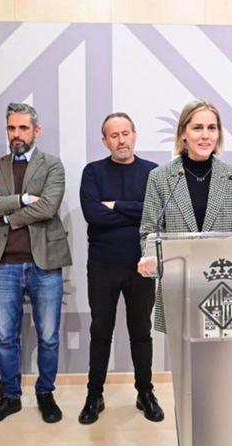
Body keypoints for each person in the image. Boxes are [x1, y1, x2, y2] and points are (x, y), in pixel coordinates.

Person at [0, 103, 72, 425]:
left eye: (23, 128)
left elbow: (47, 207)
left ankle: (45, 393)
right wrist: (21, 200)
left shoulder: (52, 166)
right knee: (6, 336)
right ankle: (11, 396)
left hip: (44, 262)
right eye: (11, 129)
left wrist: (6, 214)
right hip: (4, 264)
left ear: (36, 131)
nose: (17, 135)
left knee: (48, 336)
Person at [137, 99, 232, 333]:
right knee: (184, 363)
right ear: (183, 133)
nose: (205, 135)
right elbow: (149, 232)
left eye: (212, 128)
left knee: (218, 363)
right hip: (178, 285)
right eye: (197, 128)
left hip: (223, 286)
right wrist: (151, 258)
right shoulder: (160, 177)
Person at [78, 112, 163, 425]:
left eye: (125, 133)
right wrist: (134, 212)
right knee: (101, 331)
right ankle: (94, 394)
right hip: (102, 265)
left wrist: (115, 205)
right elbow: (93, 215)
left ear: (135, 135)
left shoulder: (154, 173)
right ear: (104, 141)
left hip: (142, 264)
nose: (121, 140)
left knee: (141, 331)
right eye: (113, 135)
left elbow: (156, 216)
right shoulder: (93, 172)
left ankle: (145, 392)